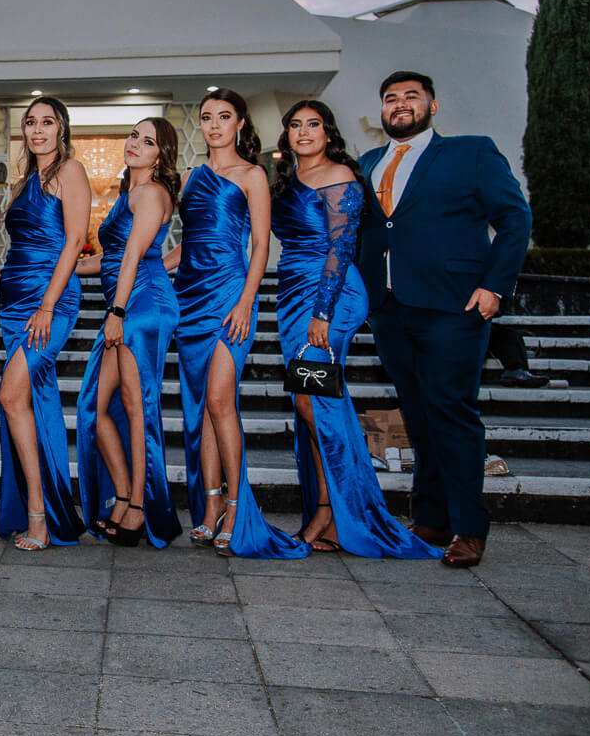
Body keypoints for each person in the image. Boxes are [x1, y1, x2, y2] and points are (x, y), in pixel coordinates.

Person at [358, 71, 532, 567]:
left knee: (452, 412)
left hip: (456, 305)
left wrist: (495, 285)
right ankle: (431, 519)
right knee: (417, 413)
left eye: (412, 96)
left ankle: (468, 529)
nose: (400, 104)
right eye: (391, 98)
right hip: (388, 309)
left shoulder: (471, 152)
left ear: (432, 107)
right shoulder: (369, 162)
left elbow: (515, 218)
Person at [272, 100, 439, 560]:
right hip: (292, 299)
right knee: (313, 405)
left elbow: (340, 250)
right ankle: (328, 512)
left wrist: (322, 314)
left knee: (316, 405)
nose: (303, 132)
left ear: (328, 133)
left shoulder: (340, 177)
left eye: (314, 124)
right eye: (295, 125)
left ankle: (338, 514)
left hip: (331, 300)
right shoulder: (286, 181)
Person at [164, 92, 307, 558]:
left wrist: (248, 301)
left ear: (240, 123)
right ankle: (208, 511)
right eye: (206, 117)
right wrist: (147, 267)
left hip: (230, 297)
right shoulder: (190, 179)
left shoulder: (252, 175)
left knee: (222, 400)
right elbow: (186, 245)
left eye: (224, 117)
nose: (214, 125)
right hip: (188, 297)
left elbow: (261, 246)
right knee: (202, 405)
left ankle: (236, 506)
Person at [74, 118, 182, 548]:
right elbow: (109, 258)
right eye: (134, 136)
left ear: (161, 154)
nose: (136, 144)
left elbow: (135, 256)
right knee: (95, 406)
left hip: (143, 305)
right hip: (124, 304)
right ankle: (123, 494)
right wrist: (62, 271)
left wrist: (117, 311)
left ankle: (139, 506)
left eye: (148, 141)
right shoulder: (128, 194)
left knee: (137, 406)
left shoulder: (153, 193)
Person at [0, 97, 91, 549]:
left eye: (46, 122)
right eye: (30, 123)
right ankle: (50, 508)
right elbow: (19, 248)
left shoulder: (71, 171)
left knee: (11, 395)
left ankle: (38, 516)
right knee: (33, 403)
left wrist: (48, 305)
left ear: (61, 129)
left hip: (50, 301)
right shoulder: (21, 183)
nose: (37, 131)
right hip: (14, 301)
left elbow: (74, 242)